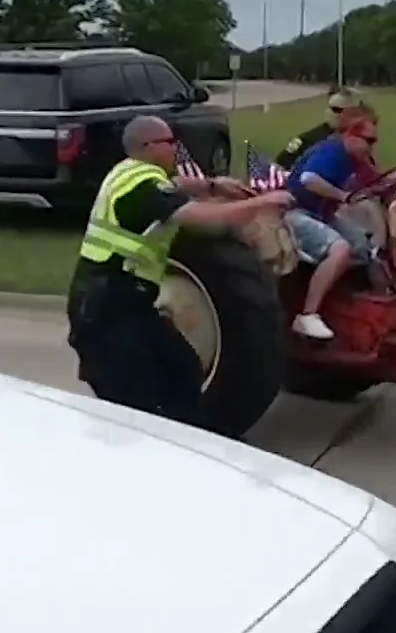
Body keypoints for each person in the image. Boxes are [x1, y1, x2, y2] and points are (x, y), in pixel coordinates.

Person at [68, 115, 294, 424]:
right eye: (171, 142)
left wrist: (214, 184)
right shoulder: (139, 184)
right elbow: (199, 216)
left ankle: (184, 434)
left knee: (184, 371)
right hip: (106, 308)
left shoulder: (132, 173)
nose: (177, 148)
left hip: (132, 303)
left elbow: (177, 186)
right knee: (133, 405)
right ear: (149, 146)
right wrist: (264, 203)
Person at [283, 112, 382, 340]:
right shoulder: (331, 151)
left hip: (321, 215)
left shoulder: (356, 160)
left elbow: (379, 181)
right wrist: (342, 196)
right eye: (369, 140)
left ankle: (338, 294)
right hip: (294, 212)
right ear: (349, 135)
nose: (372, 147)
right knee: (340, 249)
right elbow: (309, 178)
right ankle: (307, 315)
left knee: (362, 247)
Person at [276, 89, 364, 169]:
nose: (341, 115)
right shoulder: (305, 139)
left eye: (348, 111)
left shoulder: (360, 140)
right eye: (336, 110)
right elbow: (279, 164)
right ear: (327, 111)